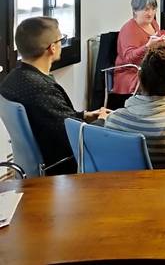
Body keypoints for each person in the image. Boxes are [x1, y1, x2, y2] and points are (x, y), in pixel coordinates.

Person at [0, 17, 108, 175]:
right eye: (61, 39)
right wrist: (102, 121)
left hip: (38, 159)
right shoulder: (41, 89)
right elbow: (74, 137)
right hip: (59, 168)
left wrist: (85, 116)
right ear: (52, 48)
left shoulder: (11, 79)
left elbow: (53, 119)